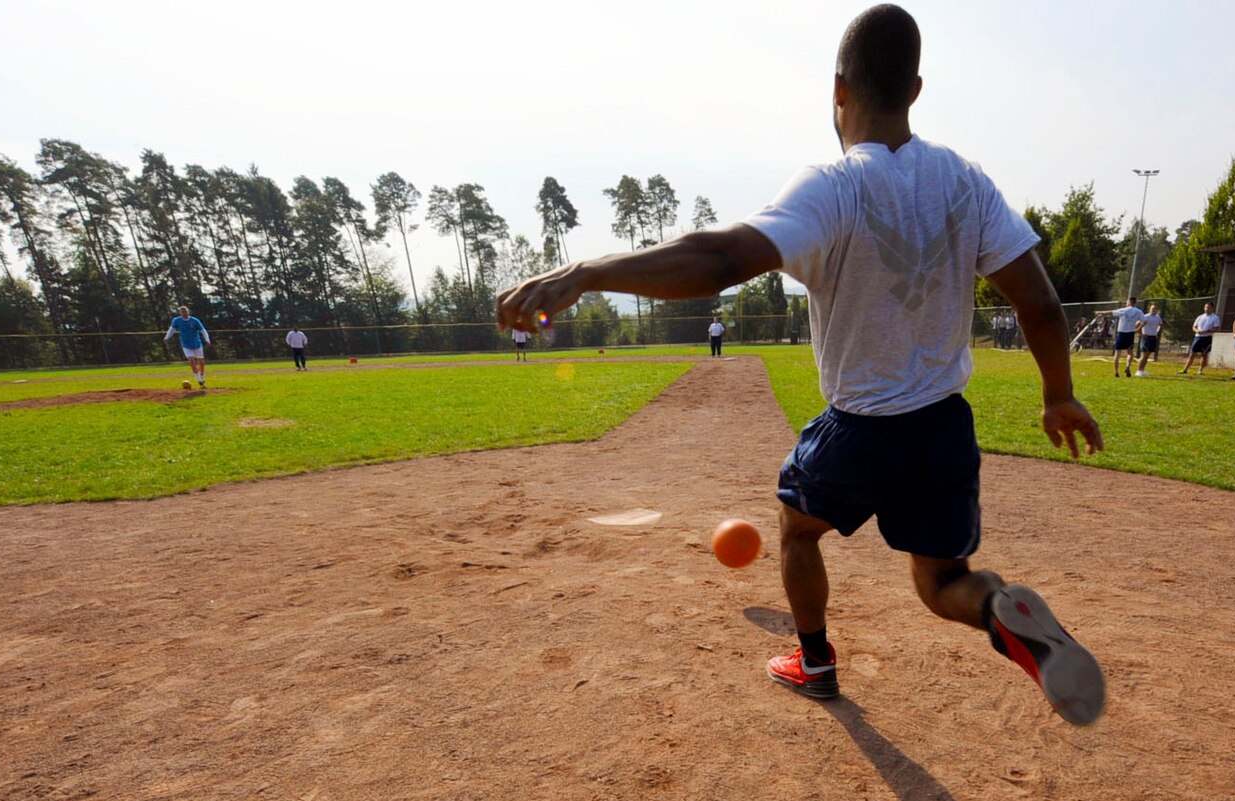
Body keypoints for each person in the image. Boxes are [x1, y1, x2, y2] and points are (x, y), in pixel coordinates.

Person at [495, 3, 1106, 725]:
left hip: (863, 427)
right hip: (944, 427)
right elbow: (1038, 300)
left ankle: (813, 660)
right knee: (944, 581)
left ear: (839, 91)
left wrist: (589, 271)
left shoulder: (837, 184)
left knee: (795, 528)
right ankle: (1001, 610)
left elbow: (721, 258)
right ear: (914, 90)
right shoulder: (965, 182)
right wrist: (1058, 394)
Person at [164, 305, 211, 387]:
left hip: (197, 344)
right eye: (182, 312)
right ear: (180, 313)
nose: (184, 313)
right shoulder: (176, 320)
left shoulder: (194, 320)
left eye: (185, 311)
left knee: (201, 363)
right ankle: (199, 379)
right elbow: (171, 330)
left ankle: (202, 377)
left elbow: (203, 330)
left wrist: (207, 340)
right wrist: (167, 337)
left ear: (188, 312)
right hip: (186, 345)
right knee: (191, 361)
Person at [1181, 301, 1219, 375]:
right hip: (1198, 337)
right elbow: (1194, 327)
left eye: (1208, 307)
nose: (1207, 309)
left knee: (1204, 354)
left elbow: (1216, 328)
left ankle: (1200, 370)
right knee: (1192, 353)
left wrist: (1207, 331)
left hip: (1207, 338)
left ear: (1212, 308)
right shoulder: (1200, 317)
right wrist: (1197, 331)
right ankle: (1185, 369)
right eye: (1205, 307)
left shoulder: (1215, 317)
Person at [1110, 296, 1144, 377]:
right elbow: (1144, 320)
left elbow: (1111, 312)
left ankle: (1116, 372)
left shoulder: (1124, 310)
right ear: (1135, 303)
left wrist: (1101, 312)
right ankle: (1127, 367)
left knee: (1117, 353)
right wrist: (1138, 329)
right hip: (1130, 333)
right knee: (1130, 353)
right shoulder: (1138, 311)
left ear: (1129, 302)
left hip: (1121, 333)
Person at [1134, 302, 1163, 376]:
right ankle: (1139, 371)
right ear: (1150, 309)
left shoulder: (1158, 317)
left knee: (1147, 355)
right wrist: (1141, 333)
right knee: (1144, 355)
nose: (1154, 310)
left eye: (1155, 309)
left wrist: (1158, 330)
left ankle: (1142, 370)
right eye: (1152, 309)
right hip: (1146, 337)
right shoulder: (1145, 316)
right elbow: (1137, 324)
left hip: (1153, 337)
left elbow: (1160, 325)